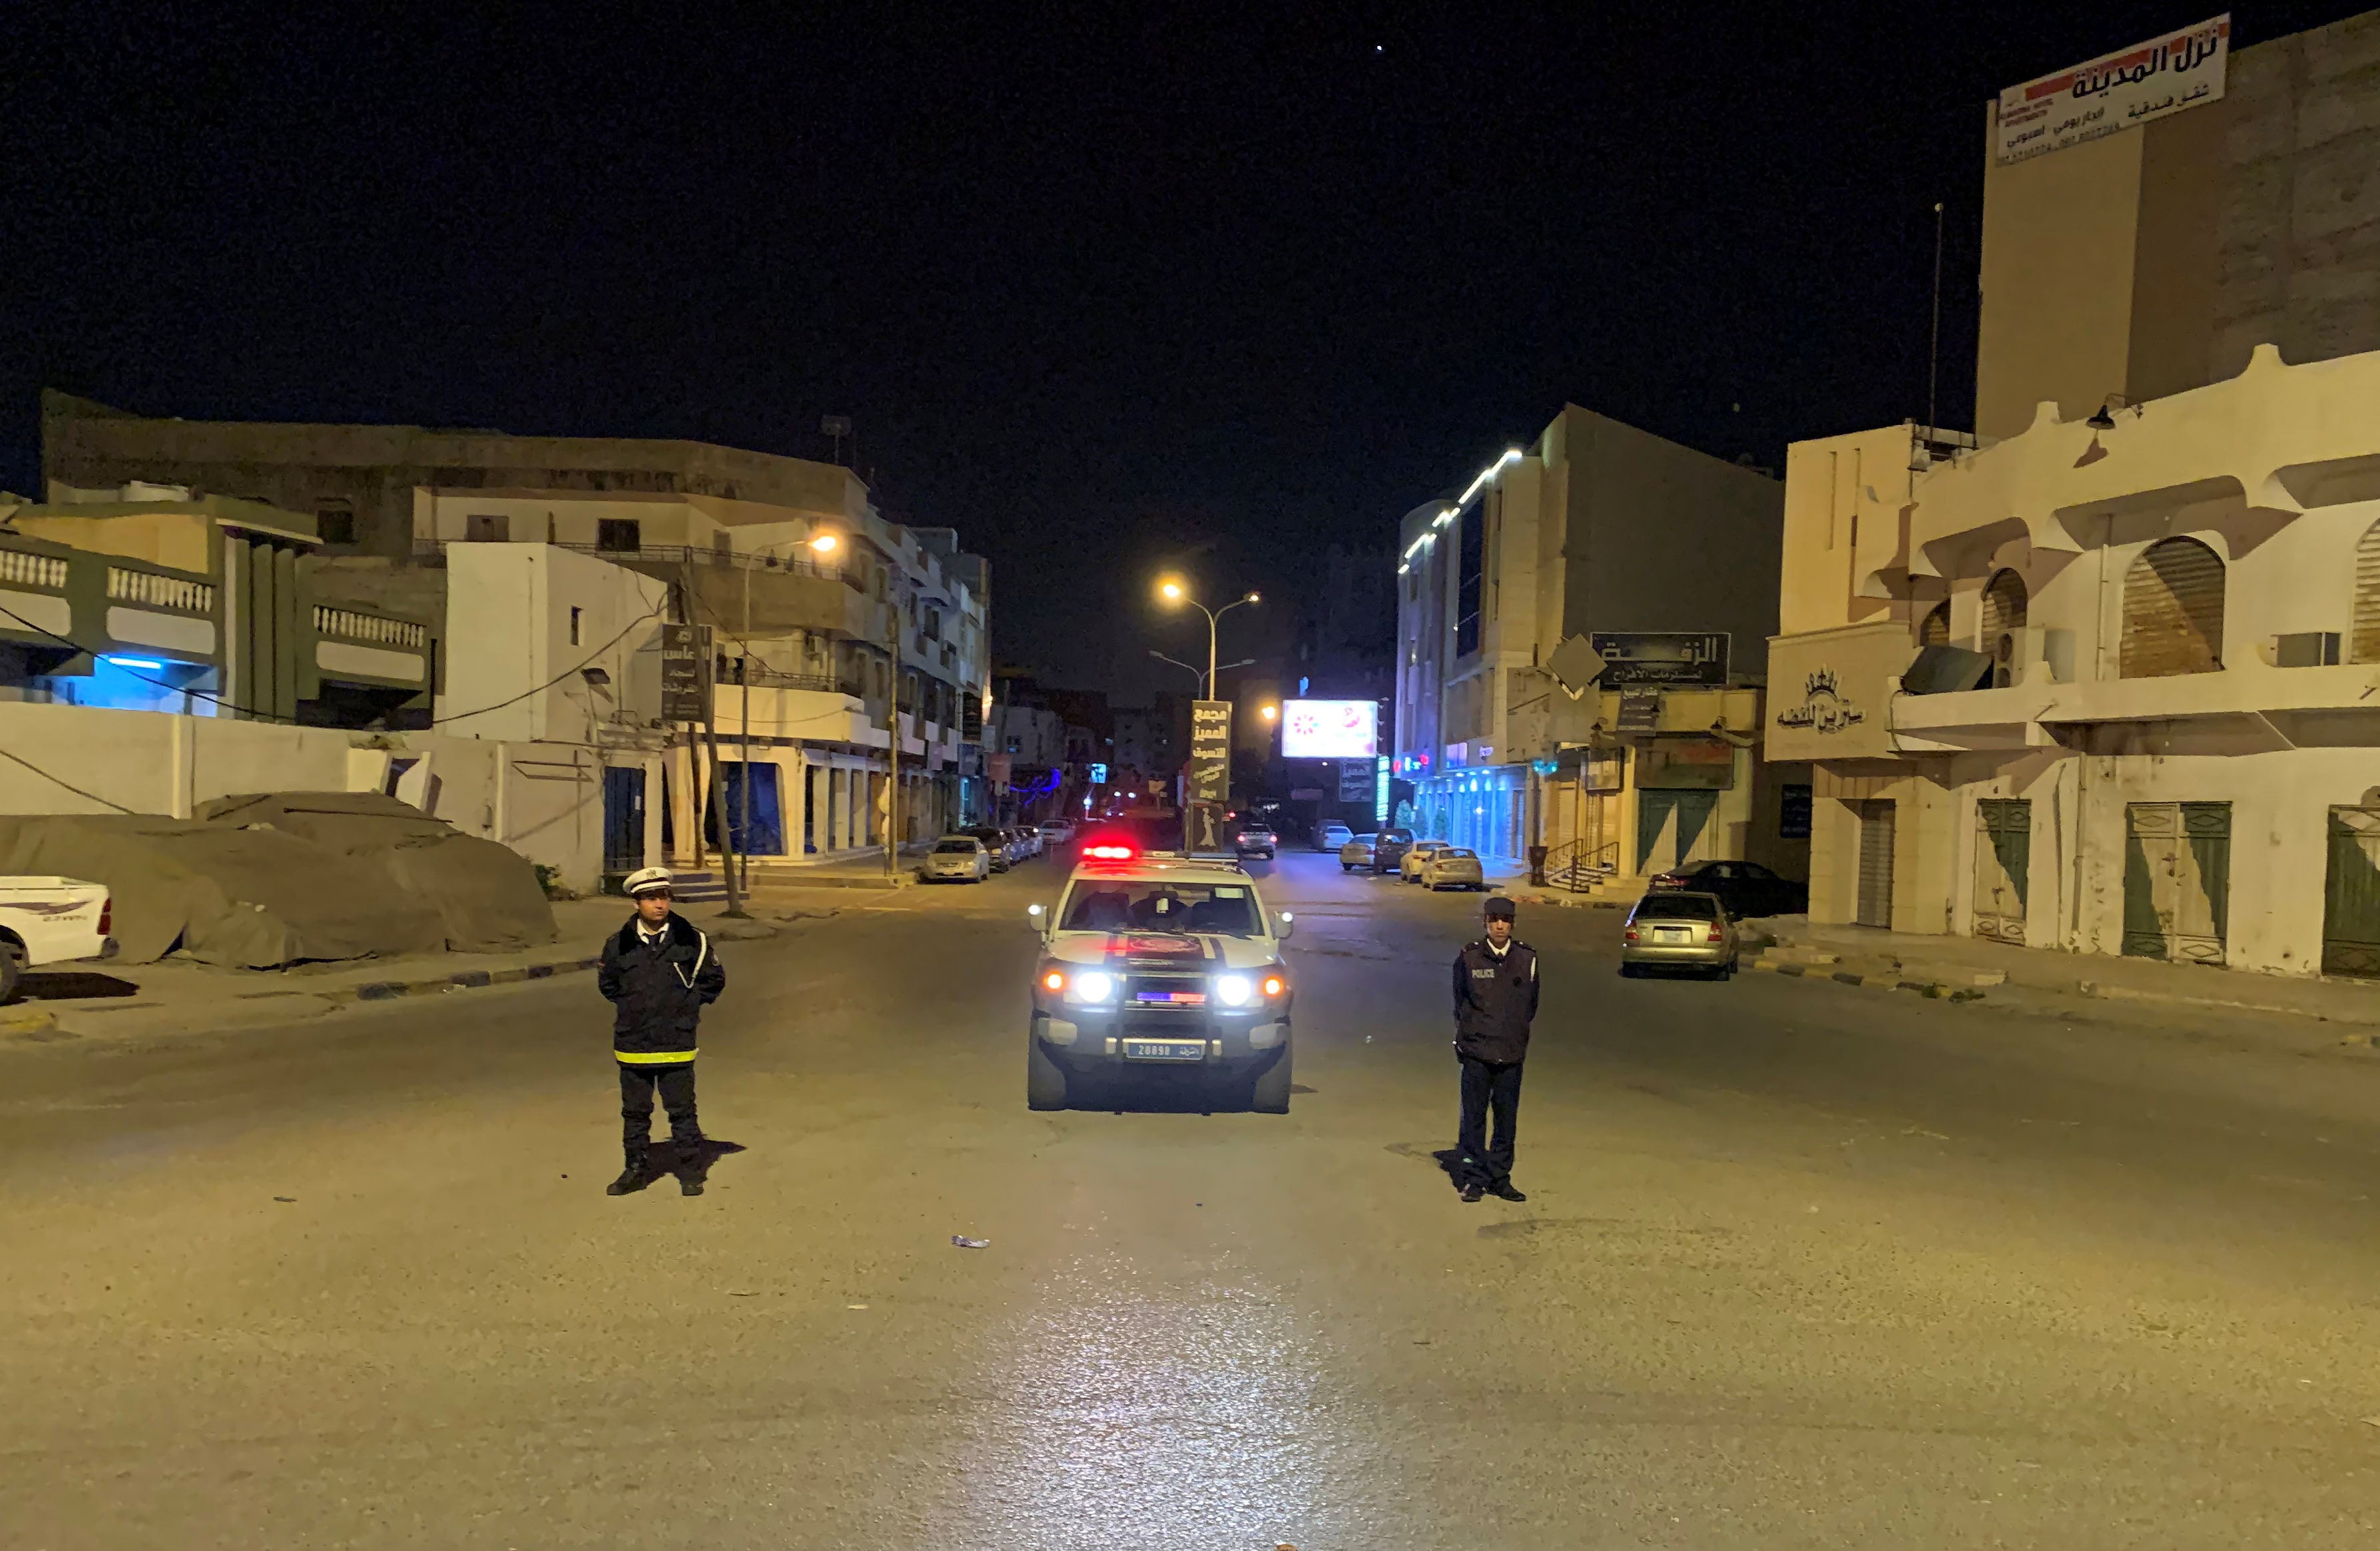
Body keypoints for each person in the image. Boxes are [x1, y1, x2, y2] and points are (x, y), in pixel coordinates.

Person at [597, 868, 727, 1197]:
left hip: (676, 1042)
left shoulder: (692, 939)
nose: (660, 905)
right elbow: (608, 985)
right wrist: (634, 1008)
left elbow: (713, 980)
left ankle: (690, 1170)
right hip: (633, 1043)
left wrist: (686, 1006)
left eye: (664, 897)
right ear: (637, 903)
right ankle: (635, 1169)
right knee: (635, 1113)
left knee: (682, 1111)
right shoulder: (618, 944)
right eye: (651, 898)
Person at [1448, 894, 1540, 1203]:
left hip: (1511, 1053)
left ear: (1513, 924)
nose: (1500, 926)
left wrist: (1515, 1034)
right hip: (1477, 1052)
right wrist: (1467, 1038)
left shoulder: (1527, 958)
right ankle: (1473, 1179)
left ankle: (1500, 1178)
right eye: (1494, 920)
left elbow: (1531, 1004)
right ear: (1485, 923)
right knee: (1473, 1119)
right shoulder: (1469, 957)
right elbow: (1459, 1002)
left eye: (1506, 921)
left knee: (1506, 1120)